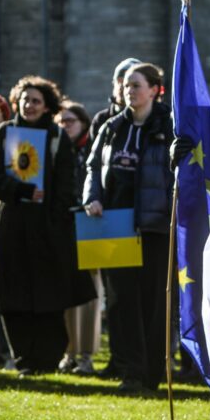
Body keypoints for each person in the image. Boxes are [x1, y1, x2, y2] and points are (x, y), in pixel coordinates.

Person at [0, 76, 93, 376]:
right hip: (9, 226)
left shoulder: (58, 137)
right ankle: (22, 360)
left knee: (49, 296)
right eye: (25, 99)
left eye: (36, 101)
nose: (29, 105)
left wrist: (54, 216)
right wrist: (23, 192)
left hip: (48, 229)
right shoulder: (3, 133)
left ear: (47, 106)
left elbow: (67, 184)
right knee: (12, 295)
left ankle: (46, 358)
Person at [84, 63, 174, 392]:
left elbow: (181, 172)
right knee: (121, 301)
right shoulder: (111, 127)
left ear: (155, 90)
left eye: (136, 85)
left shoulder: (169, 125)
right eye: (125, 85)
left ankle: (152, 373)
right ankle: (130, 370)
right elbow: (93, 166)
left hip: (153, 226)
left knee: (152, 302)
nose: (129, 91)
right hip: (114, 224)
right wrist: (91, 198)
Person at [55, 101, 101, 375]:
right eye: (61, 121)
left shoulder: (91, 148)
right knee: (64, 292)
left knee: (89, 294)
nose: (65, 126)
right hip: (61, 225)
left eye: (70, 120)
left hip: (89, 224)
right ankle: (67, 351)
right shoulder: (55, 149)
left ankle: (86, 354)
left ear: (83, 122)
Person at [89, 58, 141, 142]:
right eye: (119, 81)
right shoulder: (102, 119)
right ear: (113, 83)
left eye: (128, 83)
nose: (121, 87)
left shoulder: (154, 119)